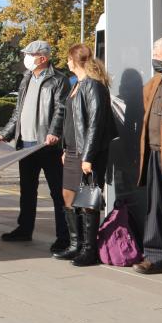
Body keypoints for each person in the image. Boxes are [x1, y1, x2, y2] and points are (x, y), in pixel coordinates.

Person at [0, 40, 70, 252]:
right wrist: (5, 134)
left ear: (43, 58)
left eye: (30, 54)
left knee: (57, 192)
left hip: (47, 145)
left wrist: (54, 133)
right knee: (27, 190)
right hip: (25, 143)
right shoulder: (26, 78)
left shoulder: (59, 80)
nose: (26, 58)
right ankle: (24, 229)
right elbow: (18, 112)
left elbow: (61, 109)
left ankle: (63, 237)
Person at [54, 44, 116, 266]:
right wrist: (65, 148)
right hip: (72, 151)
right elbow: (72, 121)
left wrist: (87, 156)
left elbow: (95, 125)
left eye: (69, 58)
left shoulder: (93, 86)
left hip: (88, 152)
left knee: (88, 199)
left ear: (76, 60)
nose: (67, 62)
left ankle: (89, 250)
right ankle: (75, 245)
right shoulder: (77, 84)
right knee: (68, 196)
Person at [134, 37, 162, 274]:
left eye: (157, 53)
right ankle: (155, 256)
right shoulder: (155, 81)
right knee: (155, 206)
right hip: (155, 152)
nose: (154, 57)